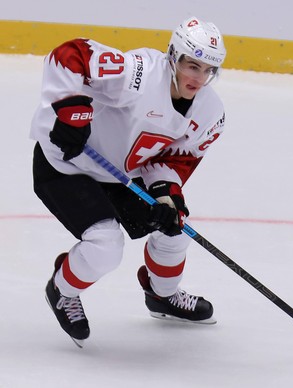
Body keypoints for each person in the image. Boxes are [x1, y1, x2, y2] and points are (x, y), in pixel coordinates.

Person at [30, 16, 227, 347]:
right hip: (67, 161)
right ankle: (62, 290)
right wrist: (69, 111)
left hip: (119, 172)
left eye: (208, 70)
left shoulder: (209, 113)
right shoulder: (138, 73)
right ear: (173, 56)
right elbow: (70, 54)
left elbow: (174, 160)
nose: (199, 77)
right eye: (192, 65)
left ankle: (161, 295)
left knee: (175, 231)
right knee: (106, 245)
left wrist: (166, 197)